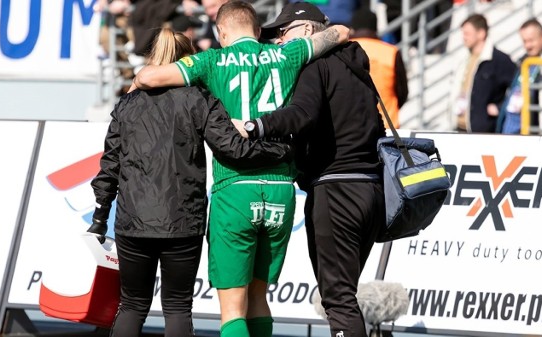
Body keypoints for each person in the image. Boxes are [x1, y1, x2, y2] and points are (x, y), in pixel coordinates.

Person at [128, 2, 350, 336]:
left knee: (233, 308)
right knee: (260, 299)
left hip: (235, 188)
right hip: (280, 189)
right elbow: (342, 32)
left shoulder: (213, 60)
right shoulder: (287, 55)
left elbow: (148, 76)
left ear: (222, 32)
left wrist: (138, 85)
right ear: (259, 32)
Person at [87, 27, 293, 337]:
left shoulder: (126, 105)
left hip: (132, 222)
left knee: (131, 306)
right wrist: (283, 147)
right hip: (184, 219)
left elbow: (109, 167)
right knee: (178, 307)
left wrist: (100, 218)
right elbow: (233, 148)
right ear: (187, 61)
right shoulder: (199, 99)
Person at [236, 4, 386, 337]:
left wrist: (255, 125)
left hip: (337, 193)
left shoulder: (316, 65)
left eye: (282, 32)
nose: (278, 42)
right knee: (343, 294)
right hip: (370, 191)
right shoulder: (357, 66)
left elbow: (301, 115)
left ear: (306, 31)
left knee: (338, 299)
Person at [449, 13, 516, 133]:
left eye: (467, 34)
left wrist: (500, 107)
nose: (464, 37)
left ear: (481, 33)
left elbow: (518, 86)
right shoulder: (463, 59)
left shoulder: (499, 60)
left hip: (484, 132)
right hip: (460, 128)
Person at [497, 18, 542, 134]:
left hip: (531, 133)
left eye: (531, 40)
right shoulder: (522, 62)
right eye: (524, 41)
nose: (528, 45)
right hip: (509, 130)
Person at [350, 7, 408, 128]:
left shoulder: (343, 51)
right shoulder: (391, 51)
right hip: (387, 125)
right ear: (375, 28)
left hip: (352, 127)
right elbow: (402, 91)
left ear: (353, 28)